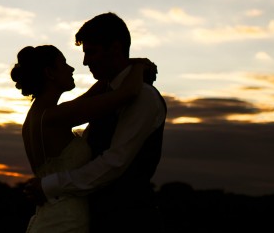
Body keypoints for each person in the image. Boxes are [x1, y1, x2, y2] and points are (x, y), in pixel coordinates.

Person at [23, 12, 167, 232]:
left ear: (116, 49)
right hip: (78, 219)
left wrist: (49, 185)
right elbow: (123, 93)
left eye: (91, 52)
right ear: (49, 74)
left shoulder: (143, 96)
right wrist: (137, 66)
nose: (81, 63)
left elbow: (115, 162)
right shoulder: (63, 112)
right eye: (65, 63)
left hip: (129, 221)